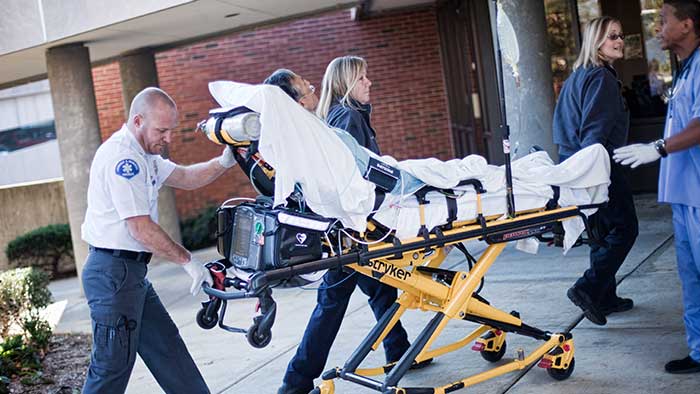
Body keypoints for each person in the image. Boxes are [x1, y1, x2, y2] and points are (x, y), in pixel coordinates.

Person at [273, 59, 429, 394]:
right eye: (361, 77)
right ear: (297, 101)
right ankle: (295, 381)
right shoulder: (346, 118)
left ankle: (398, 350)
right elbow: (359, 173)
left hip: (350, 227)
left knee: (380, 287)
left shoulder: (324, 122)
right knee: (332, 302)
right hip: (350, 228)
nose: (369, 82)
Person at [80, 87, 238, 393]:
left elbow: (186, 177)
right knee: (110, 369)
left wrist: (224, 161)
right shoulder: (123, 159)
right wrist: (188, 261)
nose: (168, 139)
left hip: (129, 273)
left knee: (169, 352)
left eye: (171, 131)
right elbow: (140, 228)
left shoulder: (145, 155)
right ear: (138, 121)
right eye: (162, 131)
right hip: (112, 274)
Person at [613, 0, 700, 374]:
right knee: (691, 280)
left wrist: (658, 147)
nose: (657, 28)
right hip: (684, 195)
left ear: (687, 24)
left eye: (664, 21)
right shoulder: (684, 69)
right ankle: (698, 353)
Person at [552, 16, 638, 327]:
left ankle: (605, 297)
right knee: (625, 230)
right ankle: (587, 287)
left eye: (620, 35)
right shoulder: (600, 78)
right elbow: (594, 133)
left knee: (601, 234)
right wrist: (596, 174)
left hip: (575, 164)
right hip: (598, 165)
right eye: (611, 36)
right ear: (596, 43)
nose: (619, 41)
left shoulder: (579, 75)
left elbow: (562, 128)